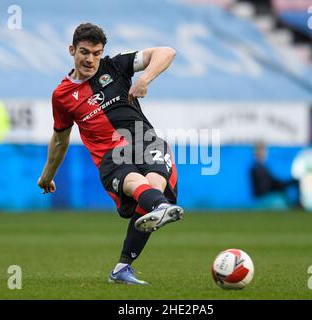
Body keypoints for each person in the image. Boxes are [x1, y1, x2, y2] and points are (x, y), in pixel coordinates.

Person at [37, 23, 183, 285]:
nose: (90, 59)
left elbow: (167, 51)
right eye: (84, 52)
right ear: (72, 50)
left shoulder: (115, 67)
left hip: (145, 140)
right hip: (111, 157)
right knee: (138, 184)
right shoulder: (62, 96)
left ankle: (122, 268)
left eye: (96, 53)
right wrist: (47, 177)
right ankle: (159, 206)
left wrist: (145, 78)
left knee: (154, 178)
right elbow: (60, 139)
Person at [250, 142, 300, 209]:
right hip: (265, 197)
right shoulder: (256, 168)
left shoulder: (262, 167)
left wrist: (284, 184)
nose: (265, 153)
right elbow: (267, 185)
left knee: (290, 186)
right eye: (263, 151)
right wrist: (282, 185)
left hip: (268, 194)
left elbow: (273, 181)